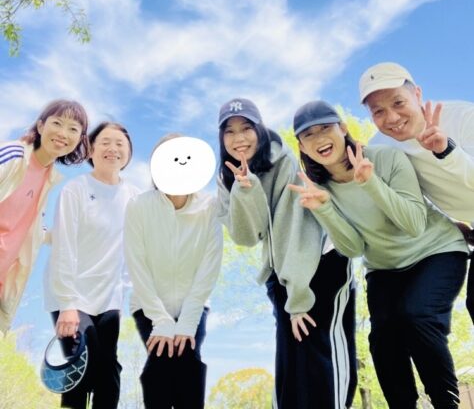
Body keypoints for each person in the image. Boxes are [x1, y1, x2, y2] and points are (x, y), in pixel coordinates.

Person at [289, 100, 469, 409]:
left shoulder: (386, 158)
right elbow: (354, 249)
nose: (319, 139)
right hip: (384, 267)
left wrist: (370, 183)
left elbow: (414, 224)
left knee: (416, 315)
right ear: (302, 146)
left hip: (436, 250)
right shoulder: (319, 189)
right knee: (383, 340)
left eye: (325, 128)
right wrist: (325, 209)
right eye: (309, 135)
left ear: (343, 129)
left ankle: (447, 403)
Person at [217, 98, 357, 409]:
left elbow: (295, 229)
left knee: (321, 367)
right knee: (291, 378)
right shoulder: (227, 176)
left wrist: (298, 298)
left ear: (260, 129)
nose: (239, 138)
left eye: (246, 128)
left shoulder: (283, 161)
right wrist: (245, 189)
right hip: (283, 273)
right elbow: (246, 236)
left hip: (318, 266)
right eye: (230, 131)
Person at [359, 61, 474, 323]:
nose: (392, 118)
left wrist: (446, 151)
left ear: (418, 94)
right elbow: (407, 199)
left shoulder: (463, 117)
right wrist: (449, 225)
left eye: (398, 103)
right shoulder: (381, 149)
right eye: (378, 111)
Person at [44, 121, 140, 409]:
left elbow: (135, 249)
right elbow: (64, 246)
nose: (113, 149)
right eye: (105, 142)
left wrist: (127, 291)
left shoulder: (134, 196)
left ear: (128, 152)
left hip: (109, 299)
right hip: (71, 294)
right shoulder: (75, 189)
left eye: (120, 144)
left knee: (108, 371)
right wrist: (67, 304)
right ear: (91, 150)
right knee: (80, 367)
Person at [124, 134, 223, 409]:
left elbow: (209, 265)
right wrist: (161, 320)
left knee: (186, 358)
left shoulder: (209, 207)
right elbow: (137, 264)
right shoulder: (138, 206)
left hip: (194, 304)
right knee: (164, 358)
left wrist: (187, 322)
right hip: (148, 305)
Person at [0, 99, 89, 335]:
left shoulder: (49, 178)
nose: (63, 134)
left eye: (73, 129)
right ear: (40, 126)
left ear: (80, 139)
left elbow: (27, 229)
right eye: (57, 123)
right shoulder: (13, 155)